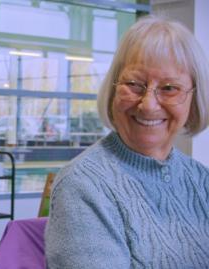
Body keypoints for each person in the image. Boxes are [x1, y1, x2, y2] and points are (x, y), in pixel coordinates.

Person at [45, 16, 209, 268]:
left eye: (169, 88)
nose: (148, 105)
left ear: (194, 99)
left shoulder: (200, 179)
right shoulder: (83, 186)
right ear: (113, 90)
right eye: (134, 84)